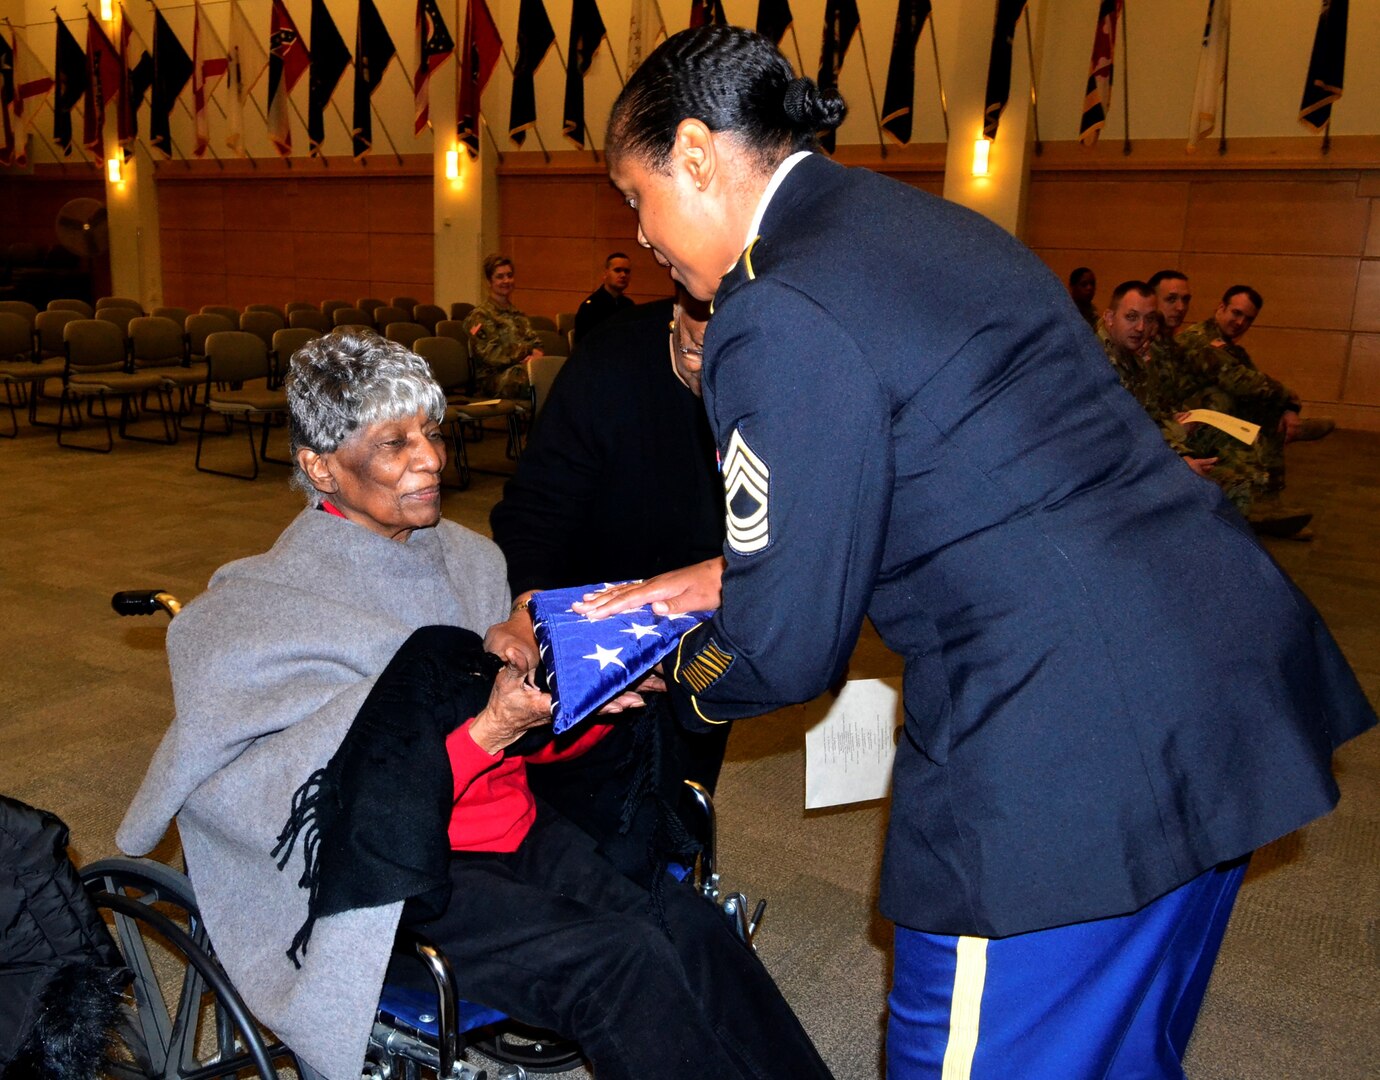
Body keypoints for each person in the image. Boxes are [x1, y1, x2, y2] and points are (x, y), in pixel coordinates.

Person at [583, 26, 1376, 1080]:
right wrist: (732, 572)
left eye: (637, 197)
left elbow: (785, 648)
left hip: (1066, 753)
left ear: (694, 155)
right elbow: (966, 478)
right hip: (1212, 677)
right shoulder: (917, 223)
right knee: (1120, 1058)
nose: (640, 235)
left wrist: (658, 675)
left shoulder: (774, 309)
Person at [115, 330, 833, 1080]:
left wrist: (583, 704)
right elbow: (307, 804)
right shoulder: (265, 609)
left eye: (430, 430)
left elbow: (527, 739)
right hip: (403, 878)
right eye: (394, 443)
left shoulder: (470, 557)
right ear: (319, 465)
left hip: (514, 826)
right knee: (621, 962)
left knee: (690, 927)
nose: (429, 457)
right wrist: (489, 730)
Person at [488, 287, 730, 885]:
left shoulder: (774, 372)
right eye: (700, 355)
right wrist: (531, 609)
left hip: (716, 605)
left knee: (687, 765)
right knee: (591, 803)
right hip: (596, 612)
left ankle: (672, 880)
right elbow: (535, 508)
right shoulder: (610, 363)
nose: (719, 378)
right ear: (676, 317)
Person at [1097, 279, 1259, 510]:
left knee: (1230, 483)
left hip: (1138, 455)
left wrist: (1182, 456)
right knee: (1214, 492)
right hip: (1108, 469)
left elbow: (1149, 415)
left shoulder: (1130, 356)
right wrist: (1176, 463)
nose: (1141, 327)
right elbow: (1122, 435)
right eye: (1131, 317)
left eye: (1149, 319)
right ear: (1110, 318)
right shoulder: (1097, 362)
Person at [461, 254, 542, 399]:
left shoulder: (517, 314)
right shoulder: (479, 317)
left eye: (509, 275)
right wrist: (526, 352)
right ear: (489, 282)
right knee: (531, 378)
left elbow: (535, 343)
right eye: (500, 277)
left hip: (520, 370)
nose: (506, 281)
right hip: (493, 379)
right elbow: (493, 355)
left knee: (549, 372)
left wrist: (536, 354)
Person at [572, 251, 636, 343]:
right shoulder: (591, 306)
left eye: (627, 271)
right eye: (617, 270)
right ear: (606, 274)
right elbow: (584, 343)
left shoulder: (628, 304)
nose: (623, 275)